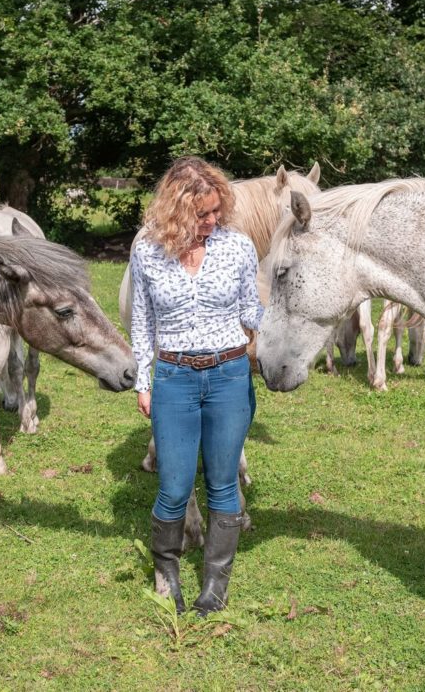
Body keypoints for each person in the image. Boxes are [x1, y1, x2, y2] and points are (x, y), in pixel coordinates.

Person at [130, 156, 262, 615]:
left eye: (216, 212)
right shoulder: (147, 250)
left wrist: (287, 327)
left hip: (228, 374)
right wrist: (144, 382)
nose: (212, 221)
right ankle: (166, 573)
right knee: (173, 485)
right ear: (177, 209)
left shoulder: (238, 248)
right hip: (174, 377)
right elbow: (142, 323)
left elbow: (252, 313)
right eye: (202, 214)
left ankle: (214, 586)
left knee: (223, 484)